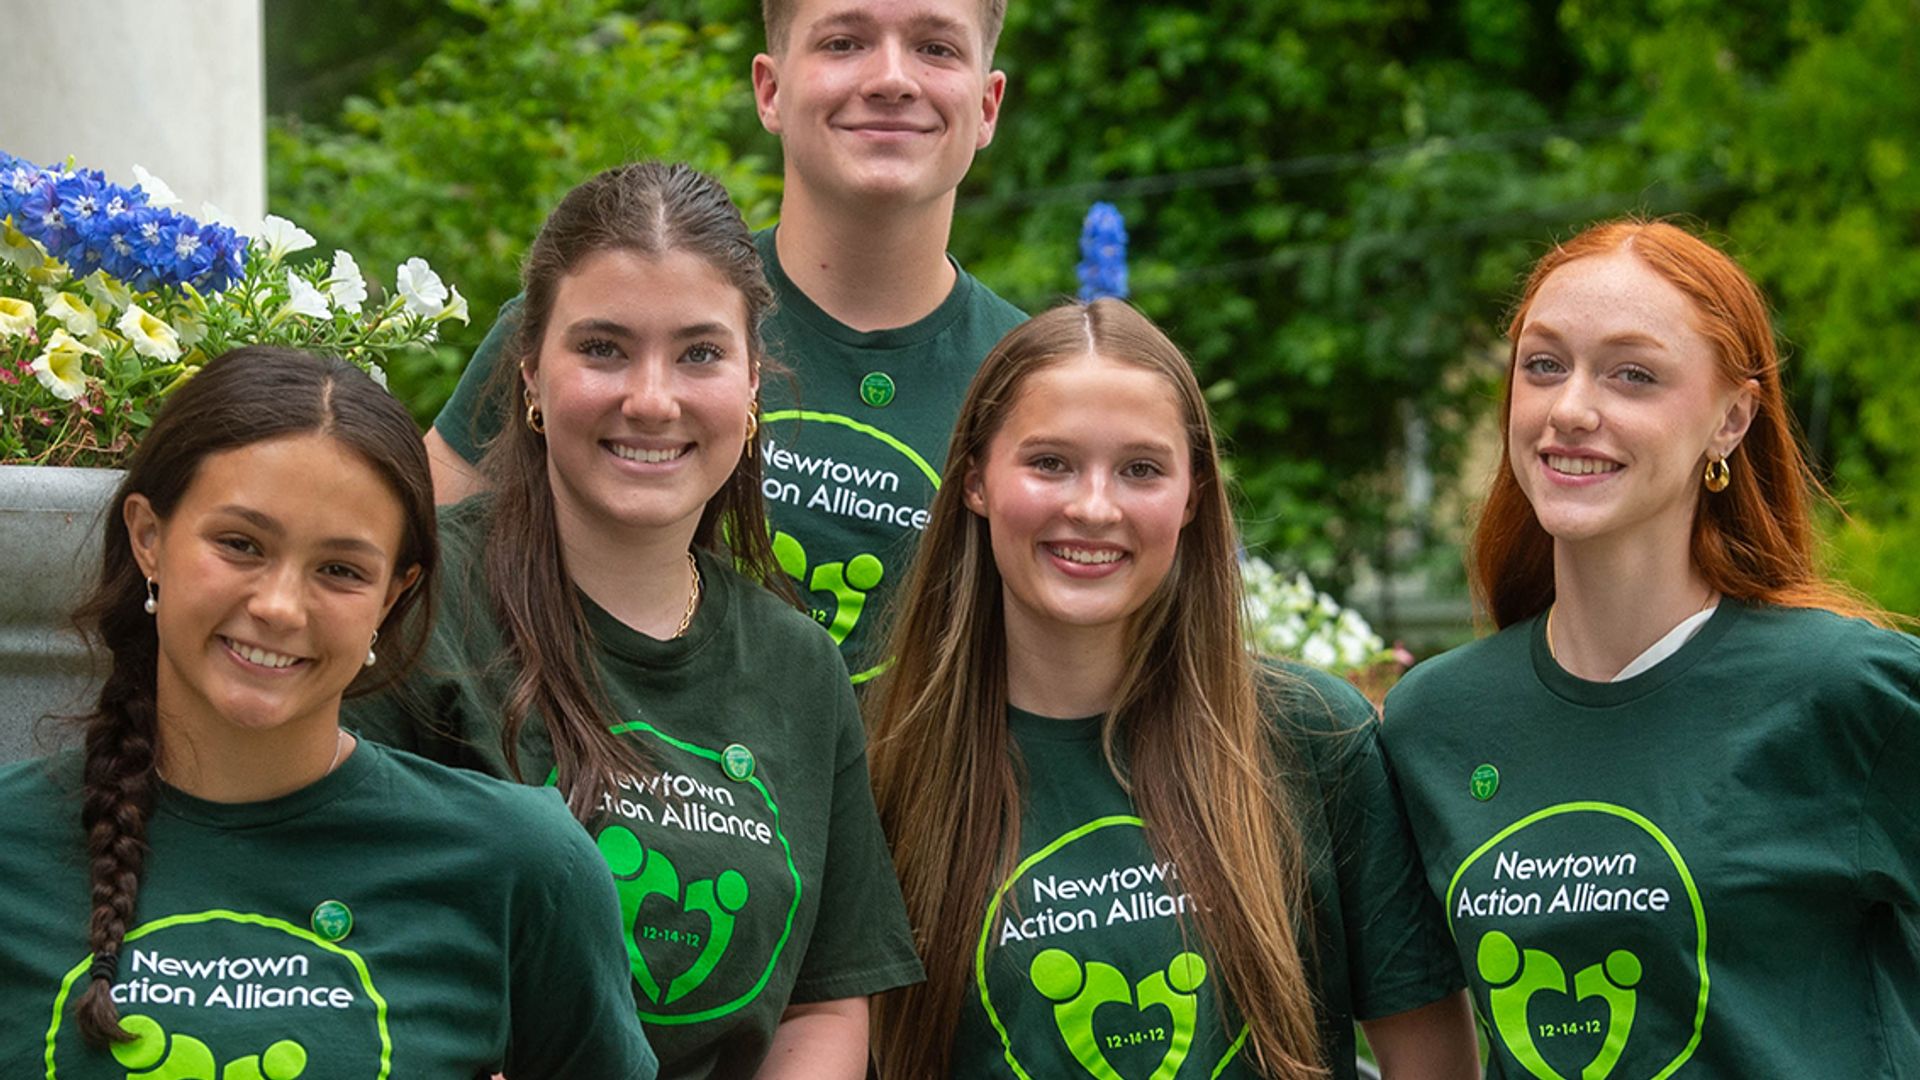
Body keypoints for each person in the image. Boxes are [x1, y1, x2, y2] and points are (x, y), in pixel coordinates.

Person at [348, 162, 922, 1080]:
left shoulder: (800, 663)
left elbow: (824, 1004)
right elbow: (341, 927)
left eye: (699, 353)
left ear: (752, 386)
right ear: (530, 374)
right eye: (604, 349)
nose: (652, 399)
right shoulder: (420, 605)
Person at [0, 347, 656, 1078]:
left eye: (340, 570)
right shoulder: (11, 843)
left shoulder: (523, 865)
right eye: (241, 545)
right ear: (149, 538)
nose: (279, 606)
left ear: (395, 594)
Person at [865, 300, 1479, 1079]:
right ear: (976, 481)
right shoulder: (885, 766)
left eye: (1141, 470)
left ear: (1193, 498)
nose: (1093, 506)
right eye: (1050, 462)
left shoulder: (1313, 736)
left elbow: (1430, 1058)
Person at [1380, 218, 1920, 1078]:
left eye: (1633, 375)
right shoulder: (1432, 722)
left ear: (1732, 421)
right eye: (1543, 365)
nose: (1572, 409)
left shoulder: (1853, 692)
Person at [425, 0, 1023, 685]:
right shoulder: (596, 326)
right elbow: (405, 576)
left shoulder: (1033, 382)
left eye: (936, 49)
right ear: (769, 89)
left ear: (987, 104)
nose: (891, 77)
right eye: (844, 42)